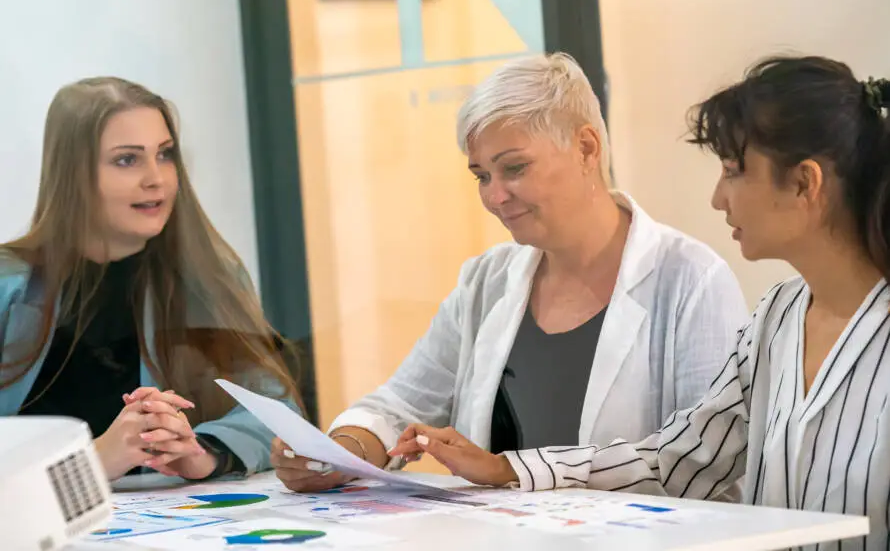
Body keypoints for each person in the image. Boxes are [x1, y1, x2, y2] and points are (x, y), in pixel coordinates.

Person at [391, 55, 890, 548]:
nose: (718, 198)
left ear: (805, 183)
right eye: (482, 176)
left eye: (734, 171)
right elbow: (680, 459)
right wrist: (506, 468)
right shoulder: (778, 317)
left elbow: (711, 489)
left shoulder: (695, 278)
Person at [271, 52, 748, 494]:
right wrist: (337, 454)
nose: (495, 196)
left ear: (586, 148)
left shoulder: (690, 280)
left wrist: (514, 470)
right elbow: (398, 408)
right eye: (481, 176)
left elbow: (701, 462)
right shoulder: (487, 280)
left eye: (514, 168)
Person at [0, 77, 300, 481]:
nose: (156, 178)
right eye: (127, 159)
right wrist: (92, 461)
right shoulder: (9, 283)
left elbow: (277, 414)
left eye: (165, 154)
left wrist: (202, 452)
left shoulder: (210, 278)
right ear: (72, 174)